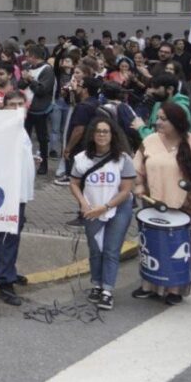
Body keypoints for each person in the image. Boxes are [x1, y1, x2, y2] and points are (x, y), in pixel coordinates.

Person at [133, 103, 191, 305]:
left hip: (186, 206)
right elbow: (137, 170)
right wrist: (139, 185)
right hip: (153, 204)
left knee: (178, 249)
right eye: (157, 117)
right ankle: (149, 286)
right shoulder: (149, 141)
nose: (158, 122)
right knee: (151, 247)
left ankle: (175, 288)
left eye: (163, 119)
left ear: (177, 122)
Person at [68, 116, 135, 311]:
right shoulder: (81, 159)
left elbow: (126, 190)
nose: (102, 135)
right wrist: (83, 203)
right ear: (92, 135)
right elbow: (74, 182)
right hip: (91, 209)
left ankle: (107, 291)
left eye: (106, 131)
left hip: (118, 208)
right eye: (98, 131)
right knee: (95, 249)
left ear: (113, 135)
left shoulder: (123, 159)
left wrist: (105, 207)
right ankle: (96, 284)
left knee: (111, 250)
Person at [0, 92, 39, 307]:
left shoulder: (21, 129)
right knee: (8, 236)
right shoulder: (3, 130)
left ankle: (1, 270)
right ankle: (5, 281)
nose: (17, 108)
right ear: (5, 107)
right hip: (8, 193)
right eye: (12, 105)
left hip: (20, 192)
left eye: (21, 104)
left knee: (9, 234)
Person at [56, 77, 101, 189]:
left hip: (80, 147)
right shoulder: (97, 103)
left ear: (85, 90)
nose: (76, 87)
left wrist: (68, 148)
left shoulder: (83, 107)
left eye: (80, 86)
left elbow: (78, 130)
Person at [19, 45, 55, 174]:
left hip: (39, 110)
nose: (25, 58)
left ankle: (43, 164)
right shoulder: (28, 68)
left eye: (27, 55)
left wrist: (30, 79)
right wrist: (24, 79)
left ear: (33, 56)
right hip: (26, 109)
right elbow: (20, 85)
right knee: (25, 137)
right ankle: (24, 163)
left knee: (42, 139)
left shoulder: (47, 70)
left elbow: (42, 90)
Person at [134, 73, 191, 139]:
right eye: (151, 87)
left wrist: (141, 128)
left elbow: (165, 137)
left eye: (156, 88)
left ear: (170, 89)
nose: (151, 91)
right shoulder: (158, 104)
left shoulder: (179, 109)